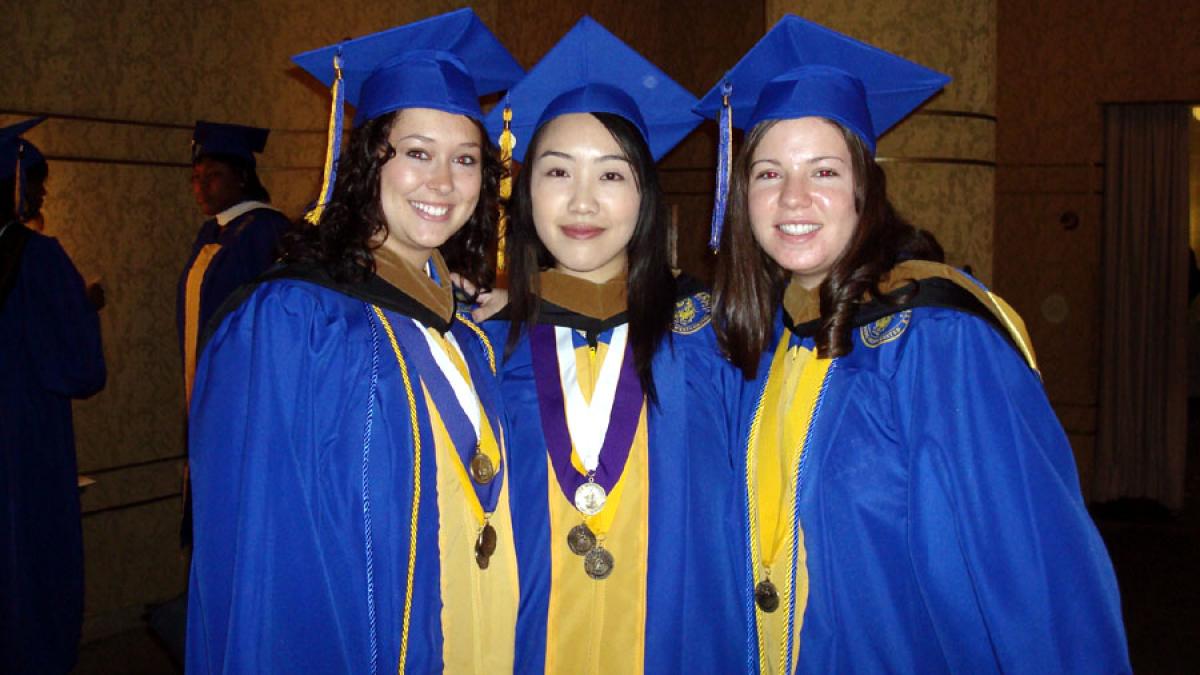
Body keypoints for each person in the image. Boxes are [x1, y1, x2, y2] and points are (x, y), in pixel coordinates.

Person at [695, 15, 1130, 673]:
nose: (793, 197)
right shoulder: (773, 342)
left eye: (824, 171)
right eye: (767, 173)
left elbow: (1038, 570)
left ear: (866, 188)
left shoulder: (939, 340)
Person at [185, 9, 524, 673]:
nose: (444, 184)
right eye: (417, 153)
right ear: (369, 160)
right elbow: (268, 565)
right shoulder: (295, 325)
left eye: (465, 159)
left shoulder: (467, 331)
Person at [480, 17, 744, 673]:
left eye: (612, 175)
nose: (582, 201)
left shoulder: (710, 335)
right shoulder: (482, 347)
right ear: (524, 190)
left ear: (644, 195)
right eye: (557, 171)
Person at [0, 117, 106, 674]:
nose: (39, 194)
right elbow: (78, 370)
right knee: (32, 569)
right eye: (35, 182)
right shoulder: (37, 258)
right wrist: (83, 309)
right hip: (26, 441)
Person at [177, 120, 290, 405]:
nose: (200, 187)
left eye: (213, 176)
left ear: (241, 177)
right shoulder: (212, 232)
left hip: (247, 389)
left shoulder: (268, 231)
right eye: (196, 177)